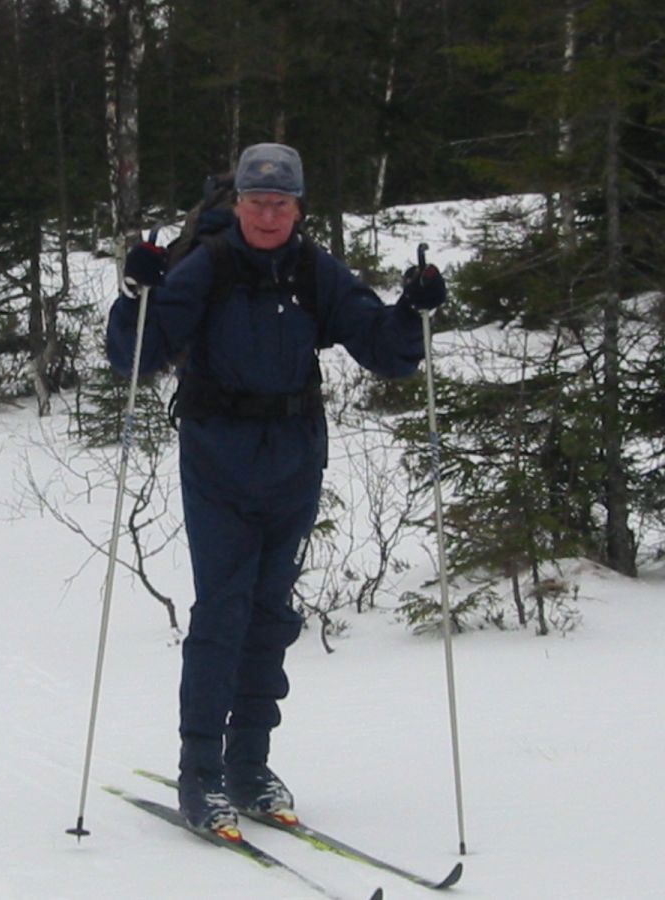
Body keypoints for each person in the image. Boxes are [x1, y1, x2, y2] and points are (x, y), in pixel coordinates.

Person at [106, 143, 446, 834]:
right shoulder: (209, 266)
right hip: (218, 459)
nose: (268, 214)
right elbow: (134, 356)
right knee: (223, 612)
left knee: (270, 614)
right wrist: (135, 294)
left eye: (281, 203)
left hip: (295, 458)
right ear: (238, 205)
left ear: (298, 207)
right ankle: (201, 772)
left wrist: (413, 310)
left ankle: (249, 764)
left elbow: (385, 351)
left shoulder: (313, 271)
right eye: (257, 202)